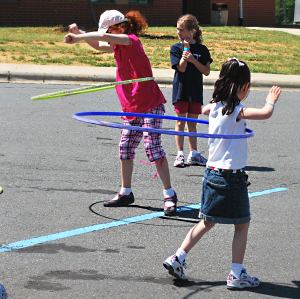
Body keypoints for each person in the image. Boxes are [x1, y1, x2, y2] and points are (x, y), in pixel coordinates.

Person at [163, 58, 281, 289]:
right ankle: (236, 274)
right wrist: (271, 101)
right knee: (242, 224)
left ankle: (178, 256)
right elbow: (266, 113)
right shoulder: (237, 110)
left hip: (212, 173)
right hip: (231, 177)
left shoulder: (213, 108)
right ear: (244, 87)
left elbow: (204, 109)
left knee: (206, 221)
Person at [65, 10, 178, 216]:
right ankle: (126, 192)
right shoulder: (117, 46)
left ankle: (169, 194)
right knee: (125, 148)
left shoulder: (130, 40)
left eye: (109, 29)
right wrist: (79, 32)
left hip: (149, 104)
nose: (107, 34)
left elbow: (104, 38)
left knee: (153, 148)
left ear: (121, 27)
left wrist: (77, 37)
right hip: (131, 106)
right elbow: (100, 44)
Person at [170, 14, 212, 168]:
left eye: (181, 30)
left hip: (195, 90)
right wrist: (185, 52)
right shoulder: (176, 48)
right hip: (181, 90)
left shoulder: (202, 49)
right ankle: (180, 154)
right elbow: (181, 68)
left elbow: (206, 71)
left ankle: (193, 153)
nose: (178, 33)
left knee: (192, 122)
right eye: (177, 30)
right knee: (180, 121)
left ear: (192, 31)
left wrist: (194, 59)